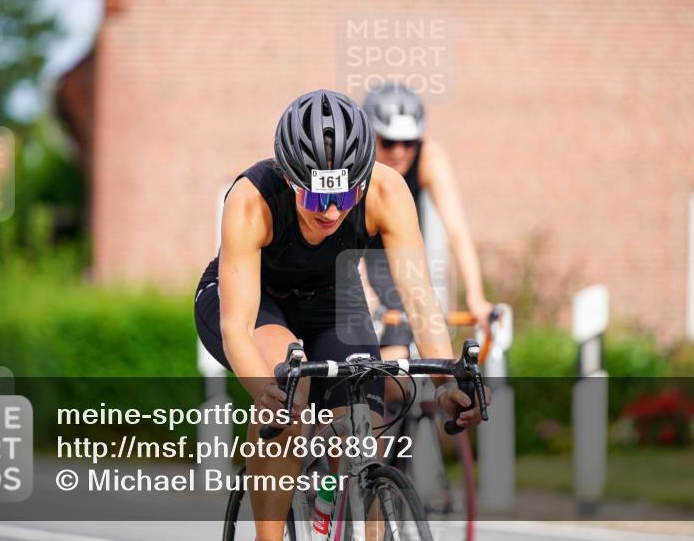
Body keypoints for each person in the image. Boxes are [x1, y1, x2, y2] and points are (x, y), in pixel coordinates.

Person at [194, 89, 488, 541]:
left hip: (331, 299)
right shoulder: (251, 201)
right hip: (253, 299)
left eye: (344, 196)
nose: (331, 212)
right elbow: (236, 328)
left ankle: (346, 513)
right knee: (290, 385)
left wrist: (446, 383)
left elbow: (418, 296)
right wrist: (268, 395)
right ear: (290, 179)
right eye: (315, 200)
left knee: (360, 431)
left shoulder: (386, 191)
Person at [362, 83, 496, 363]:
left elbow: (457, 231)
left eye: (409, 142)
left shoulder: (430, 157)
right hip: (359, 251)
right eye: (388, 142)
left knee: (409, 363)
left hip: (398, 254)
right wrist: (361, 287)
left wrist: (476, 295)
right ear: (371, 137)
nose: (399, 151)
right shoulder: (360, 160)